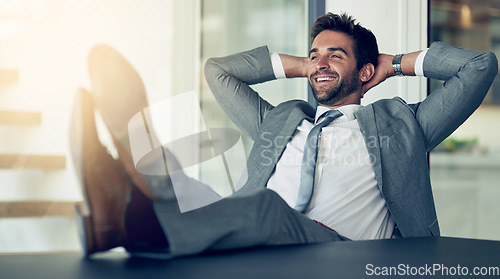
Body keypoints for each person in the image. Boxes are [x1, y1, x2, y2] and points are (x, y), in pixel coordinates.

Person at [73, 12, 498, 259]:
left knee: (265, 208)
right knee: (202, 196)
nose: (321, 63)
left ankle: (132, 181)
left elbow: (480, 67)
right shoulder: (280, 120)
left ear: (366, 72)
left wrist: (395, 62)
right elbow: (218, 72)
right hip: (260, 243)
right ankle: (118, 217)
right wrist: (302, 64)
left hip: (344, 254)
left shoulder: (403, 125)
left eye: (336, 55)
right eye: (315, 55)